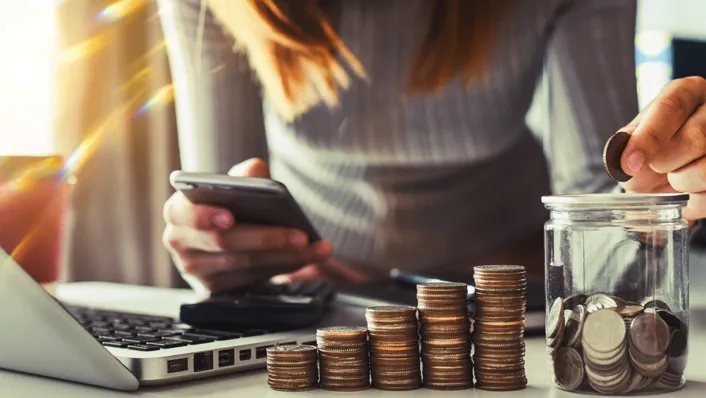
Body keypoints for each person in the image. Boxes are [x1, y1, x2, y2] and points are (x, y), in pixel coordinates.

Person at [157, 0, 705, 295]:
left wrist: (662, 203)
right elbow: (219, 198)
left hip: (518, 292)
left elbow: (604, 217)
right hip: (323, 304)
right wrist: (222, 250)